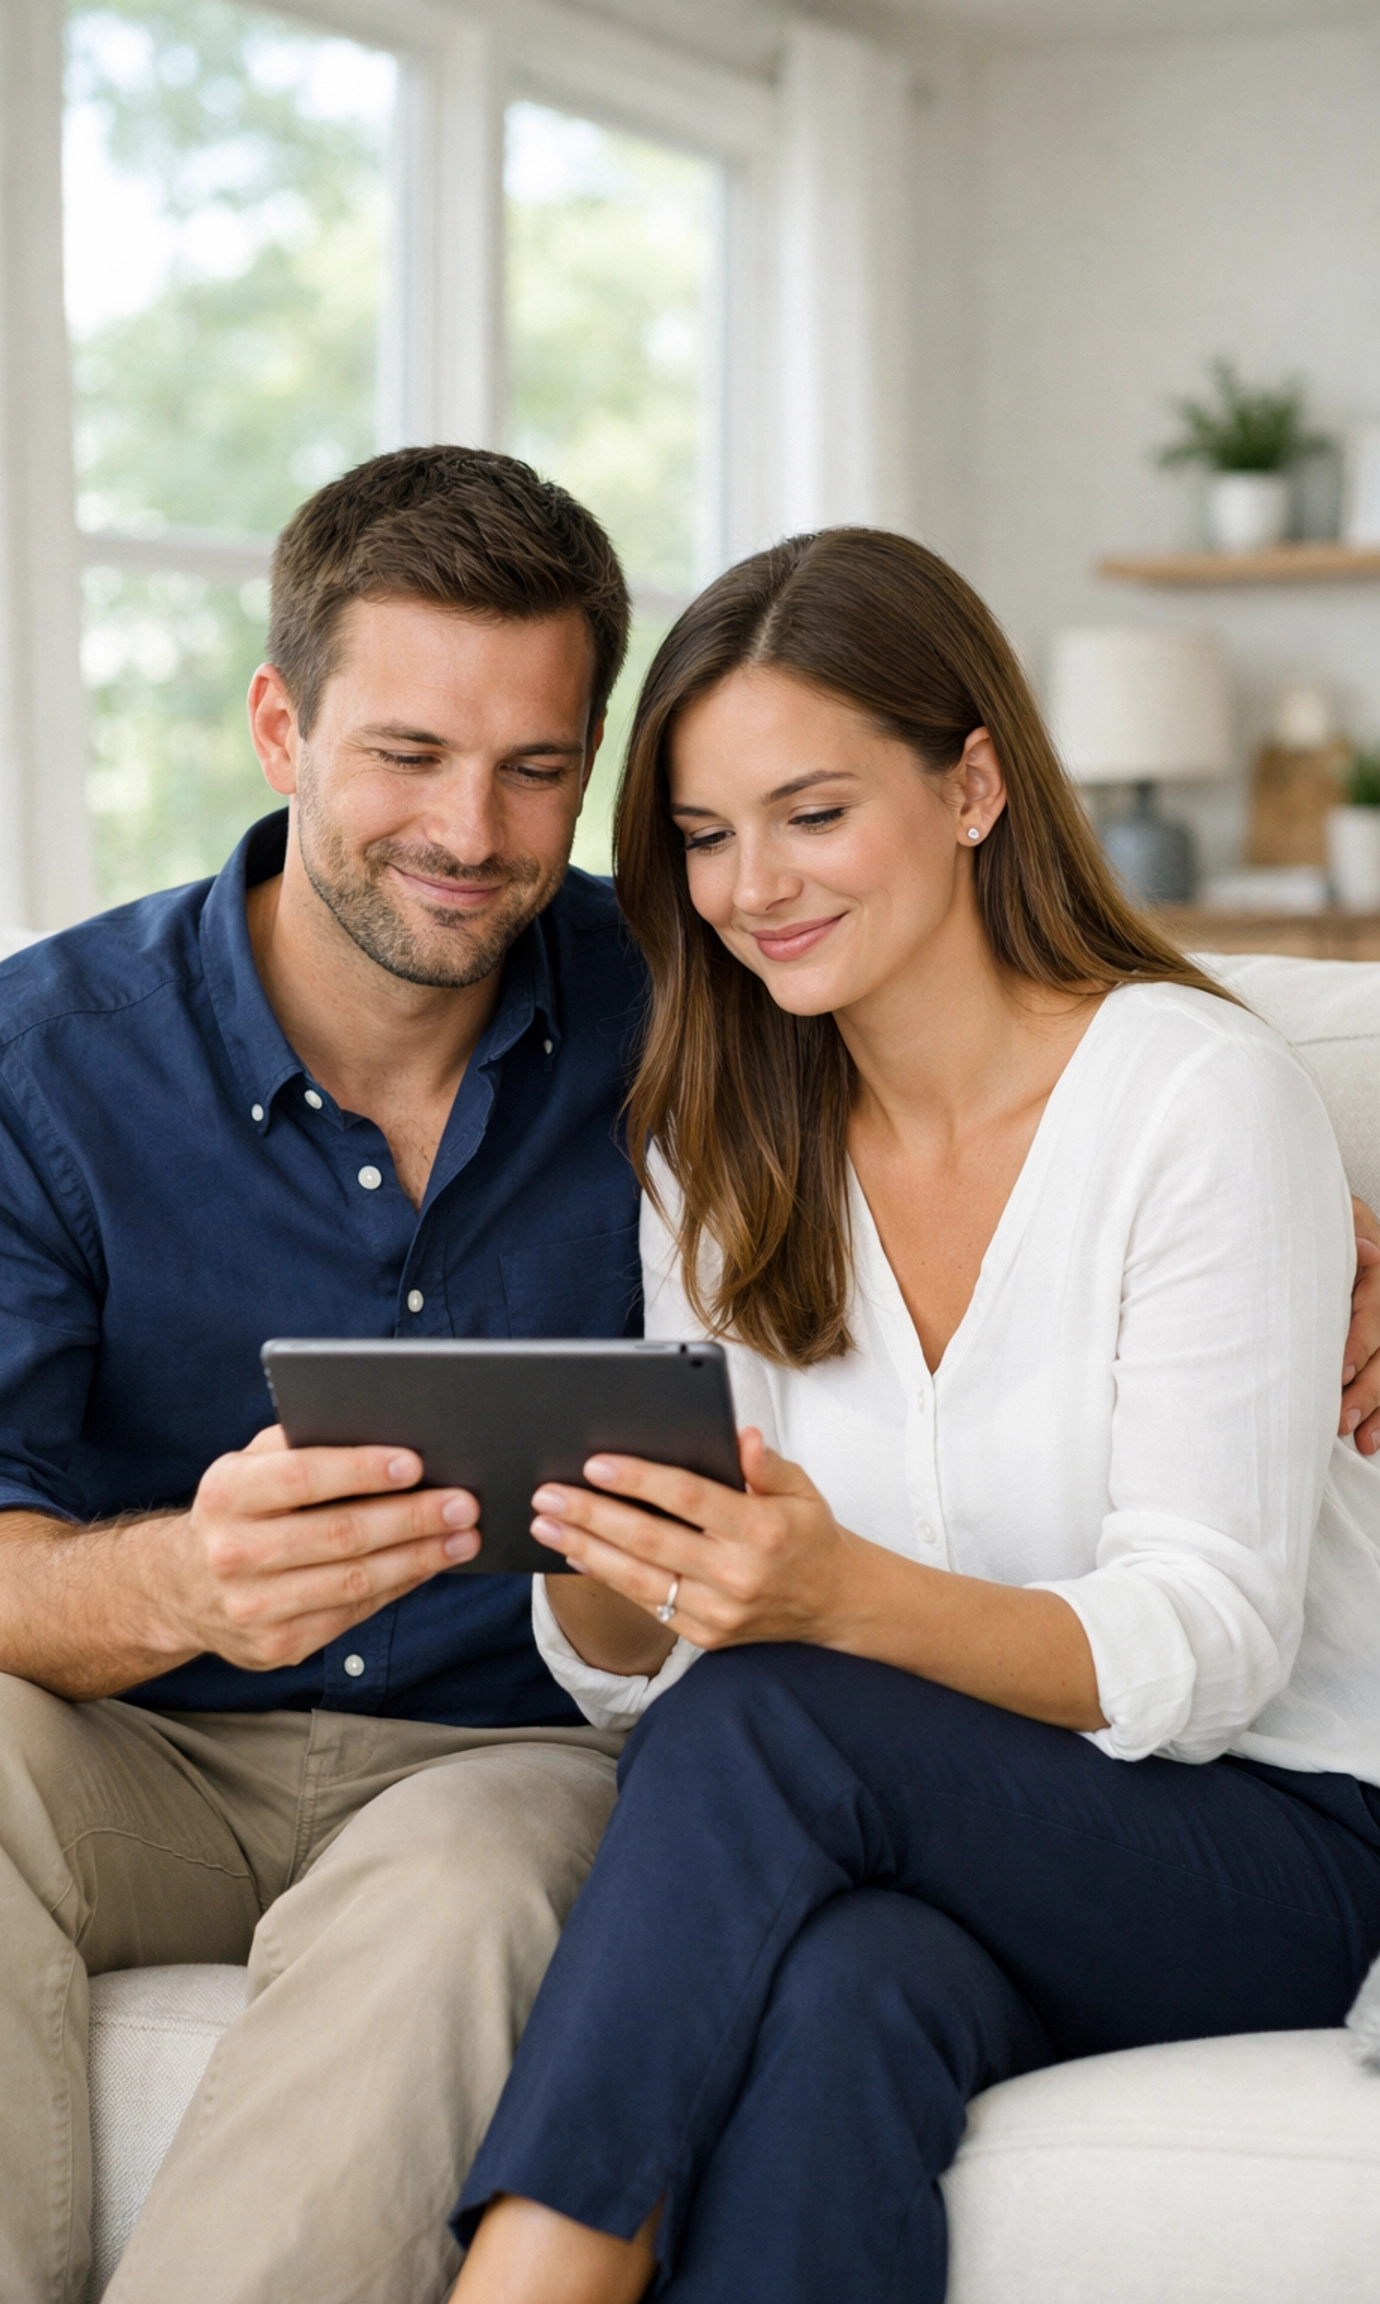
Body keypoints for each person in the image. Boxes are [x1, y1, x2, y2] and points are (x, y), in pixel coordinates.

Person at [448, 528, 1380, 2304]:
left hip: (1271, 1844)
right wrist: (599, 1551)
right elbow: (628, 1669)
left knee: (783, 1705)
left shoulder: (1194, 1098)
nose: (752, 888)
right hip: (931, 1853)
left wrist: (823, 1601)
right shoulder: (717, 1146)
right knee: (842, 1996)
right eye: (706, 839)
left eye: (812, 814)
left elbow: (1213, 1640)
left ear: (972, 785)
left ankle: (524, 2281)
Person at [0, 445, 677, 2304]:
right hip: (134, 1738)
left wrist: (1319, 1210)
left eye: (537, 767)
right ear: (280, 727)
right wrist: (172, 1578)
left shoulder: (696, 1003)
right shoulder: (27, 1063)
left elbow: (1022, 1049)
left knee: (479, 1890)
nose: (473, 829)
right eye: (408, 754)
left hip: (503, 1756)